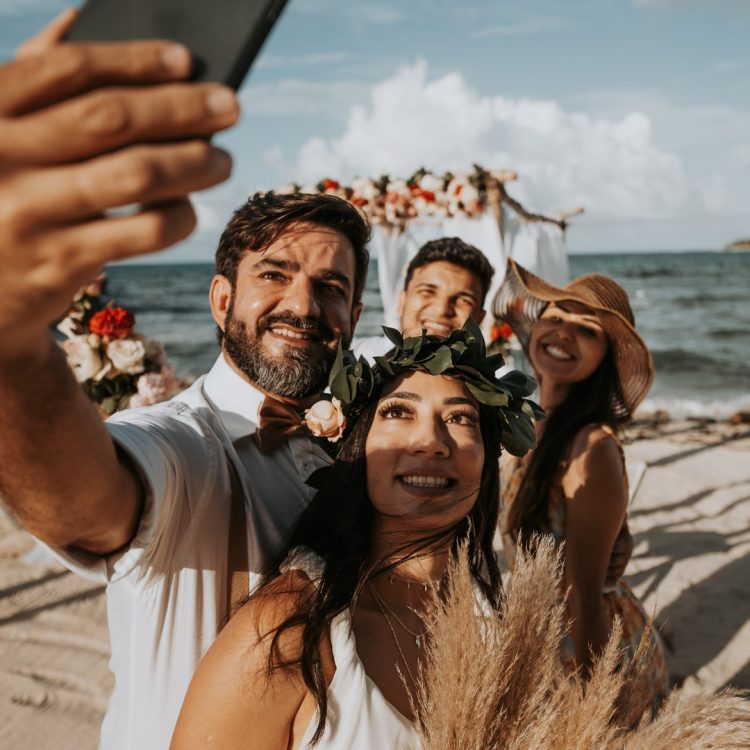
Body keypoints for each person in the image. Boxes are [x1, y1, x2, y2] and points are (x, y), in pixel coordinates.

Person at [0, 15, 373, 750]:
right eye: (274, 275)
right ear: (221, 300)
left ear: (354, 314)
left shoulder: (365, 445)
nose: (303, 304)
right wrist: (11, 345)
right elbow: (82, 505)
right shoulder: (187, 448)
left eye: (330, 287)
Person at [170, 321, 540, 749]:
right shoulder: (286, 631)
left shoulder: (497, 621)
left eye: (460, 418)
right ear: (359, 447)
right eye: (399, 411)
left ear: (485, 458)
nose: (430, 442)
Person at [492, 259, 669, 711]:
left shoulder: (593, 448)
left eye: (586, 330)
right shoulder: (533, 426)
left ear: (604, 357)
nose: (564, 332)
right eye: (555, 317)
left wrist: (593, 708)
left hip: (583, 647)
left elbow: (585, 595)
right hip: (543, 628)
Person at [352, 236, 494, 361]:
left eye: (463, 300)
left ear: (480, 319)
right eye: (427, 291)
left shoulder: (495, 388)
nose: (441, 310)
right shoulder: (351, 360)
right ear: (402, 301)